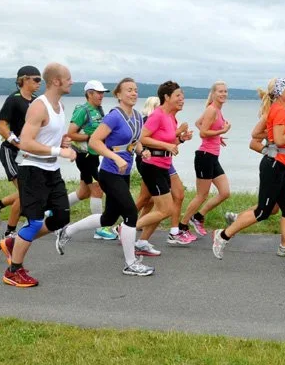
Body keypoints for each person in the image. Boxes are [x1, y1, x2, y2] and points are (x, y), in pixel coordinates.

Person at [212, 78, 285, 272]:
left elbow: (271, 139)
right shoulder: (279, 110)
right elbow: (278, 139)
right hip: (274, 166)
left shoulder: (278, 110)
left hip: (279, 165)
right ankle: (223, 235)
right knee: (263, 211)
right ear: (280, 92)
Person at [55, 78, 154, 276]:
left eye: (135, 90)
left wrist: (142, 151)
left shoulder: (136, 116)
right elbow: (95, 141)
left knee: (109, 217)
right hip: (109, 173)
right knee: (131, 214)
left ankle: (67, 231)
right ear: (118, 95)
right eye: (128, 90)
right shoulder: (114, 117)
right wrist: (115, 157)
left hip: (123, 172)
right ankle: (130, 263)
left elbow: (135, 141)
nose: (133, 93)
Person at [0, 63, 76, 287]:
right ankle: (13, 271)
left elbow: (48, 136)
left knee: (61, 218)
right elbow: (25, 142)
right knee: (34, 222)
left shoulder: (59, 106)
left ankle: (16, 242)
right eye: (68, 78)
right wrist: (59, 150)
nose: (72, 81)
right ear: (56, 81)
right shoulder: (38, 106)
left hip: (51, 170)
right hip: (32, 169)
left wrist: (62, 142)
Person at [0, 66, 42, 237]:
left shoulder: (37, 101)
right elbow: (1, 127)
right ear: (23, 79)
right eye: (36, 79)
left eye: (40, 80)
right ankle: (9, 233)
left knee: (28, 191)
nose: (39, 83)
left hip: (28, 153)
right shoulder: (13, 100)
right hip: (11, 151)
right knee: (25, 192)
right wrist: (17, 143)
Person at [134, 81, 194, 248]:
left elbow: (170, 141)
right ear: (166, 97)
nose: (182, 99)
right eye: (178, 95)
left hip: (163, 166)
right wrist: (166, 146)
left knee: (161, 209)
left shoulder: (171, 118)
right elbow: (142, 138)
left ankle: (143, 241)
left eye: (182, 95)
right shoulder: (158, 115)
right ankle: (127, 228)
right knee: (165, 209)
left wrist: (181, 139)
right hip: (152, 165)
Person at [180, 81, 231, 236]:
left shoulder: (216, 110)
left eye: (225, 91)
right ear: (213, 93)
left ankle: (198, 216)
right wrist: (222, 130)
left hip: (213, 156)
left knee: (225, 192)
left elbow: (198, 123)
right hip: (205, 156)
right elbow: (203, 133)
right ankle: (182, 227)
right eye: (220, 91)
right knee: (202, 195)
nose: (223, 94)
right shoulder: (211, 110)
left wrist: (216, 138)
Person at [67, 80, 113, 241]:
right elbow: (71, 133)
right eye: (98, 93)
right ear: (89, 94)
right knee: (97, 190)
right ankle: (100, 229)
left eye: (103, 93)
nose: (101, 96)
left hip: (94, 155)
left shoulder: (98, 109)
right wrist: (91, 137)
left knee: (83, 192)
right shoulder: (83, 110)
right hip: (84, 156)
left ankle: (53, 210)